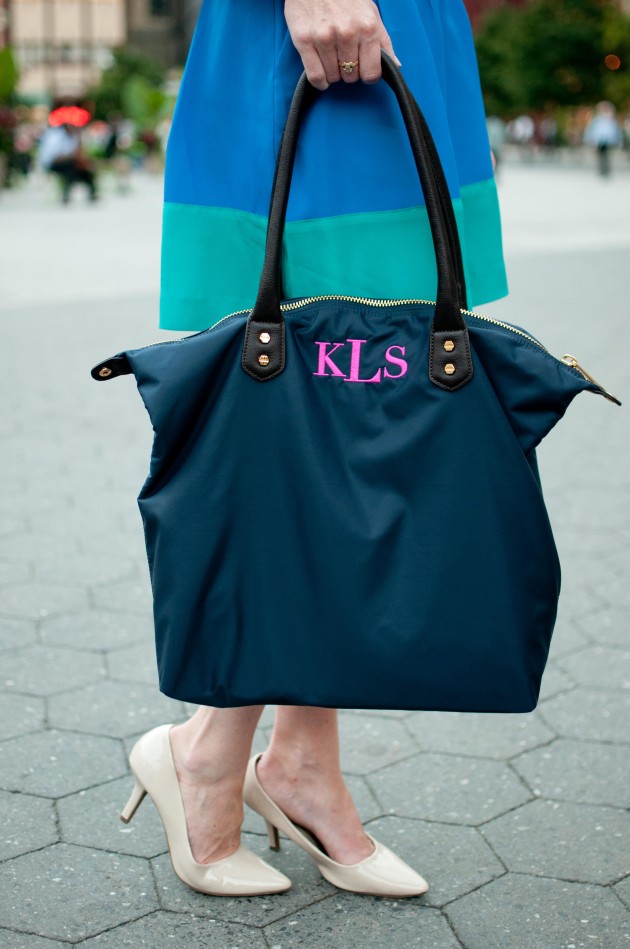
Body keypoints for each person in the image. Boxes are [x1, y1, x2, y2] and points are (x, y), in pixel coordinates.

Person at [122, 0, 508, 898]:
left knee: (343, 418)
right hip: (313, 33)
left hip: (415, 36)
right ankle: (218, 753)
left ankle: (289, 756)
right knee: (288, 413)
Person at [37, 122, 98, 203]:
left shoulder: (73, 137)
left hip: (69, 163)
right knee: (71, 169)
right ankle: (66, 195)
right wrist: (72, 156)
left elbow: (78, 154)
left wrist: (79, 141)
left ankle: (92, 195)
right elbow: (54, 157)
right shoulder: (55, 137)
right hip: (53, 164)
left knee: (86, 170)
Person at [584, 101, 623, 177]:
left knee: (607, 156)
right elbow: (592, 130)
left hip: (608, 141)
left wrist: (617, 140)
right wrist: (590, 139)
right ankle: (601, 170)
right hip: (599, 141)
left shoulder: (611, 120)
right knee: (600, 156)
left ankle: (606, 170)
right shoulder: (597, 120)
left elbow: (615, 131)